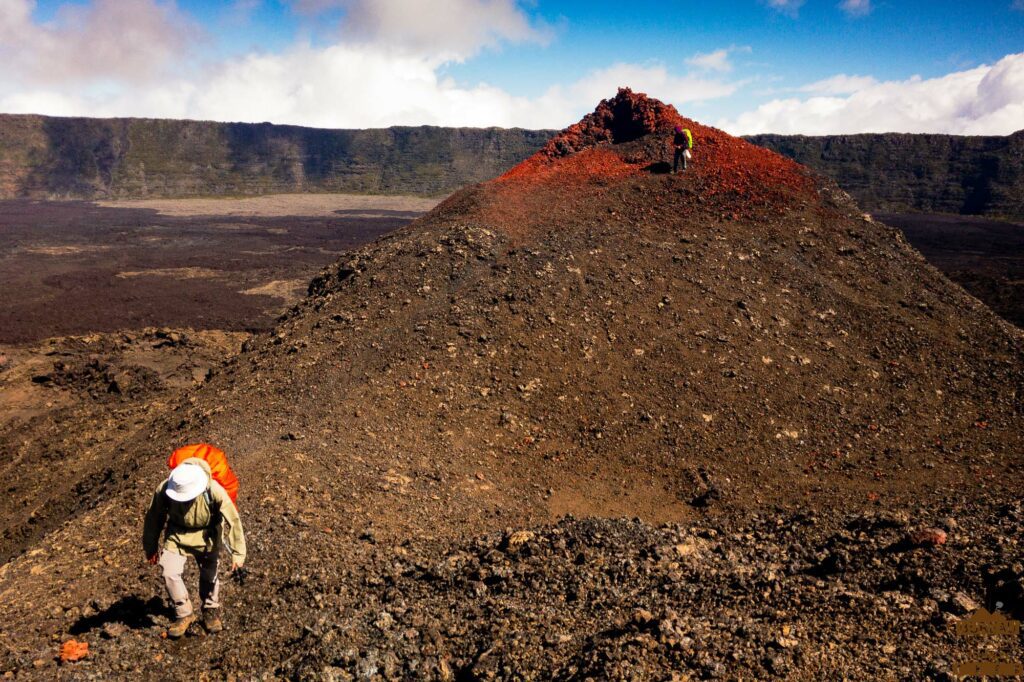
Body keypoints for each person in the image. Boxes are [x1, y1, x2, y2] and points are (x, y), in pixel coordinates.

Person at [143, 457, 246, 638]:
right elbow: (154, 518)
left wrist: (238, 555)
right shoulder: (165, 489)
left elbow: (234, 520)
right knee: (169, 571)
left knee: (209, 574)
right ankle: (184, 614)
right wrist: (150, 547)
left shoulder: (214, 490)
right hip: (177, 535)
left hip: (208, 535)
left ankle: (210, 611)